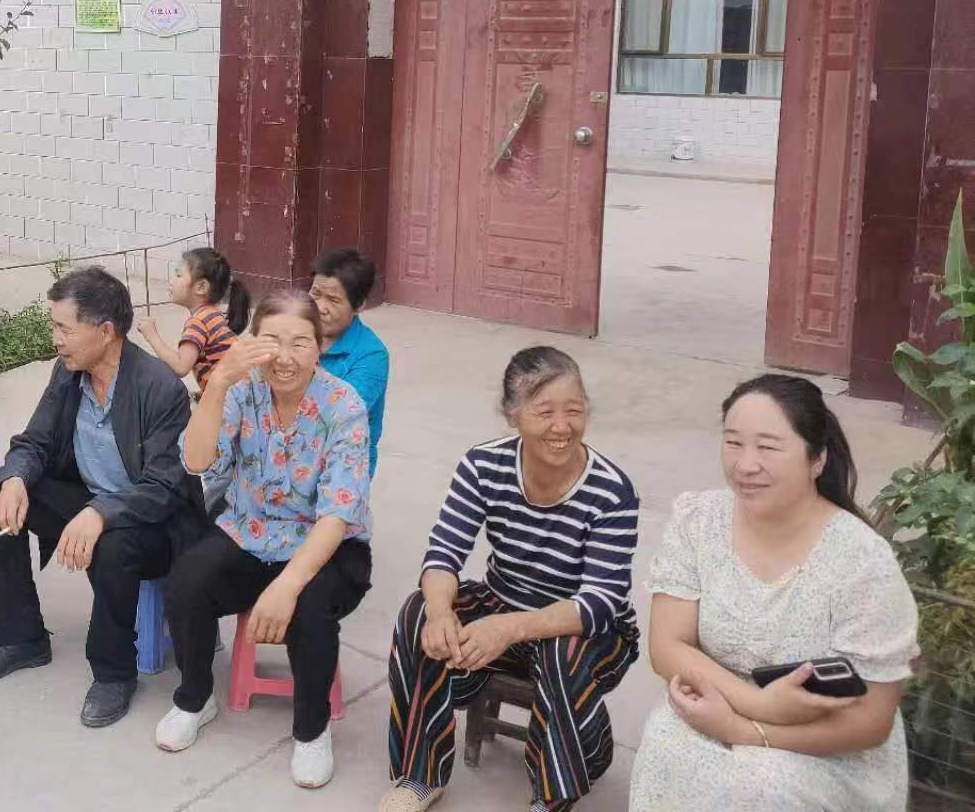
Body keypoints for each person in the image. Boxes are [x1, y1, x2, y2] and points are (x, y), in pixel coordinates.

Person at [629, 375, 919, 812]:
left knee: (760, 786)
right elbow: (668, 646)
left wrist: (745, 731)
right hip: (718, 699)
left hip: (825, 745)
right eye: (733, 443)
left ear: (817, 459)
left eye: (768, 447)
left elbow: (871, 721)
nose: (746, 465)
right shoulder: (699, 521)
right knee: (666, 746)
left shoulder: (862, 562)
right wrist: (760, 704)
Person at [379, 346, 639, 812]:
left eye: (574, 410)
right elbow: (443, 553)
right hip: (504, 599)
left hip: (586, 631)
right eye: (545, 412)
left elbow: (599, 603)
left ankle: (552, 797)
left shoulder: (611, 490)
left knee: (563, 651)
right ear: (512, 414)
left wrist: (509, 628)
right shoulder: (484, 465)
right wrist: (439, 612)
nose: (562, 426)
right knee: (419, 613)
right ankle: (419, 775)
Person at [0, 267, 207, 728]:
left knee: (113, 542)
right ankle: (20, 637)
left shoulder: (159, 387)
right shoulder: (70, 371)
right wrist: (16, 478)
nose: (55, 339)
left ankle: (114, 672)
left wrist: (101, 512)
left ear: (106, 331)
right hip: (93, 500)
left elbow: (164, 486)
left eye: (64, 328)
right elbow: (34, 441)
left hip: (156, 523)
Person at [156, 290, 372, 791]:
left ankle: (312, 730)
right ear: (252, 342)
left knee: (310, 607)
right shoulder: (242, 390)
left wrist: (287, 587)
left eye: (300, 342)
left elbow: (337, 516)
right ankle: (194, 698)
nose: (285, 357)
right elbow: (196, 461)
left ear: (320, 348)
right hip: (250, 531)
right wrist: (217, 383)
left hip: (327, 545)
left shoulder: (343, 405)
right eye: (272, 340)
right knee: (188, 579)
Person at [310, 248, 389, 477]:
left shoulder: (372, 355)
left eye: (333, 300)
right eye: (315, 293)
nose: (320, 307)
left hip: (341, 466)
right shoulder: (295, 331)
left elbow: (338, 416)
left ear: (358, 306)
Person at [138, 246, 251, 397]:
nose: (171, 281)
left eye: (178, 275)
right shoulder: (213, 316)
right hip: (243, 394)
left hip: (231, 401)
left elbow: (181, 367)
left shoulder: (198, 323)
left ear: (201, 287)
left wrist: (152, 335)